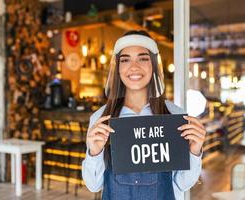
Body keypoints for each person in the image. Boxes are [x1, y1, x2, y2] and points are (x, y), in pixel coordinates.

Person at [82, 30, 206, 200]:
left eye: (143, 58)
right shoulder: (101, 118)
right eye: (125, 60)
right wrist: (94, 152)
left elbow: (181, 184)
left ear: (154, 65)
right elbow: (93, 185)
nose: (134, 66)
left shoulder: (175, 116)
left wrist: (194, 151)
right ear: (118, 68)